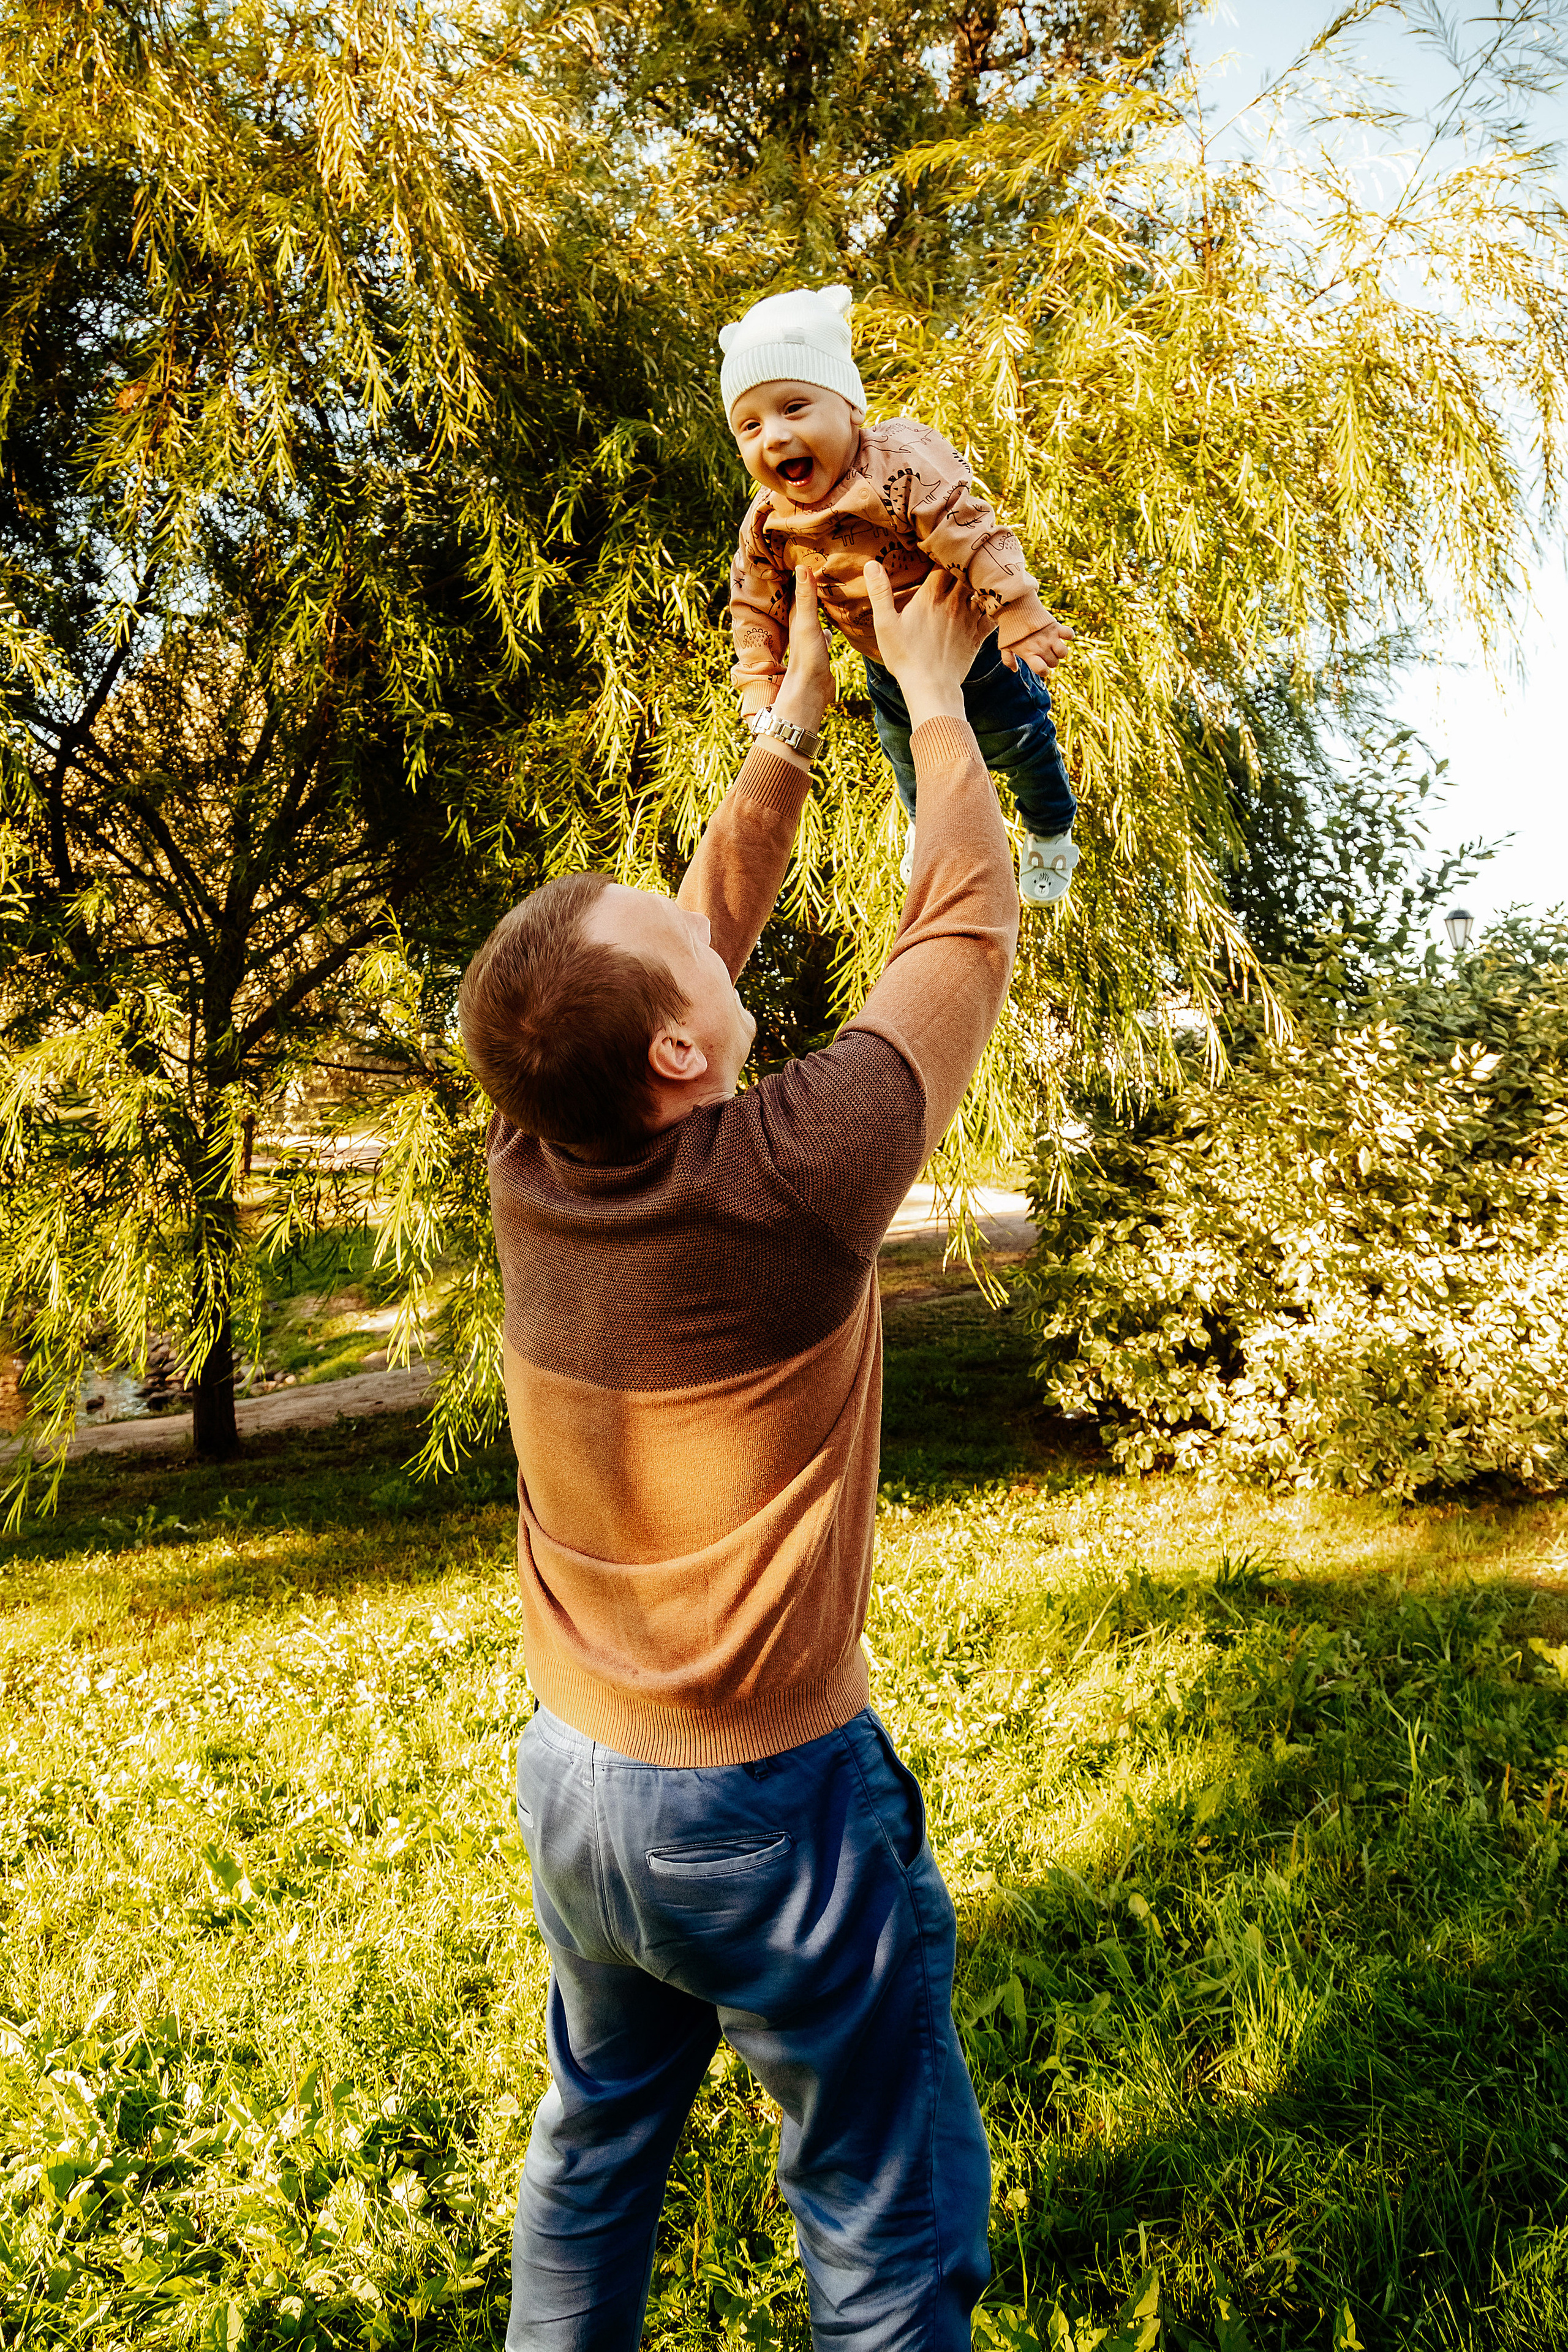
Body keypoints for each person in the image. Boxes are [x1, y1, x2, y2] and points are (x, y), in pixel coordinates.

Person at [458, 557, 1020, 2351]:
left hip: (577, 1779)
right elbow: (962, 927)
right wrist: (930, 689)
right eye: (696, 944)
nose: (723, 917)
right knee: (876, 2213)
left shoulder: (533, 1148)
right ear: (684, 1044)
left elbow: (683, 935)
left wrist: (789, 720)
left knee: (593, 2145)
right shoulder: (796, 1174)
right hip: (769, 1810)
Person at [722, 281, 1080, 907]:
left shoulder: (898, 462)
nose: (772, 437)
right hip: (885, 662)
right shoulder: (768, 521)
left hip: (976, 648)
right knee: (907, 755)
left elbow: (968, 528)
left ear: (850, 408)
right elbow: (755, 603)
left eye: (794, 408)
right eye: (749, 425)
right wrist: (761, 681)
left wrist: (1020, 610)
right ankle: (927, 825)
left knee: (1021, 743)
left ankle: (1050, 829)